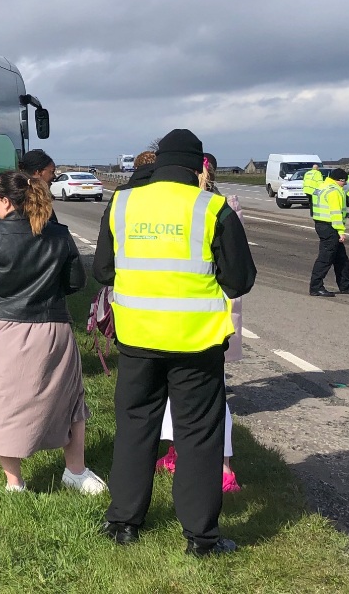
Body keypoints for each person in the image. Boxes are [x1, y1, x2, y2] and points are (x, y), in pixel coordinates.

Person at [94, 129, 256, 557]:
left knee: (134, 428)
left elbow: (103, 271)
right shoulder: (213, 207)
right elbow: (241, 280)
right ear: (199, 165)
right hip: (196, 344)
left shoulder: (123, 203)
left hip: (137, 338)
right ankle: (201, 538)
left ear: (158, 161)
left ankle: (123, 522)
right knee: (199, 436)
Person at [0, 170, 107, 495]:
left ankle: (14, 481)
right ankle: (76, 470)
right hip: (50, 327)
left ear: (4, 201)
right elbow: (75, 283)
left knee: (1, 403)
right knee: (69, 399)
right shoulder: (60, 235)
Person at [155, 153, 242, 494]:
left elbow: (234, 271)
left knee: (210, 399)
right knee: (185, 396)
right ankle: (182, 453)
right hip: (189, 319)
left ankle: (222, 469)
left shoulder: (218, 208)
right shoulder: (211, 207)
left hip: (200, 321)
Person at [310, 168, 349, 297]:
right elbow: (335, 213)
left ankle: (345, 284)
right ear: (339, 180)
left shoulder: (322, 187)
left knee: (341, 257)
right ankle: (316, 287)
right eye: (344, 182)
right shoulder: (334, 192)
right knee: (325, 258)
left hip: (321, 224)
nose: (345, 184)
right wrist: (341, 231)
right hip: (330, 227)